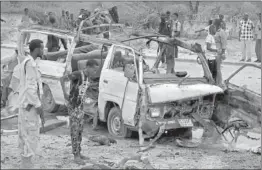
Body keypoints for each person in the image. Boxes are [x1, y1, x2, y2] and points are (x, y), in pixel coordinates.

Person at [60, 59, 100, 165]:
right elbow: (62, 79)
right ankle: (76, 155)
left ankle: (79, 152)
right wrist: (64, 93)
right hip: (73, 106)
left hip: (80, 107)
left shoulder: (88, 78)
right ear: (89, 67)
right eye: (94, 70)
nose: (95, 73)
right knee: (74, 130)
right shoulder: (78, 74)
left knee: (80, 130)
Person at [18, 39, 44, 168]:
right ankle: (27, 163)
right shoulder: (30, 64)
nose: (43, 51)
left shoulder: (28, 62)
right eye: (42, 48)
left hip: (26, 104)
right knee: (30, 133)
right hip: (29, 105)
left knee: (26, 133)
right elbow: (31, 88)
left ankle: (26, 161)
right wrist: (38, 105)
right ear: (38, 49)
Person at [213, 19, 227, 87]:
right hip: (214, 52)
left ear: (217, 24)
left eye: (214, 23)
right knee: (215, 68)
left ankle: (220, 83)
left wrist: (223, 53)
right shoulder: (214, 31)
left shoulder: (221, 32)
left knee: (218, 69)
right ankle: (216, 82)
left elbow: (224, 43)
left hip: (219, 52)